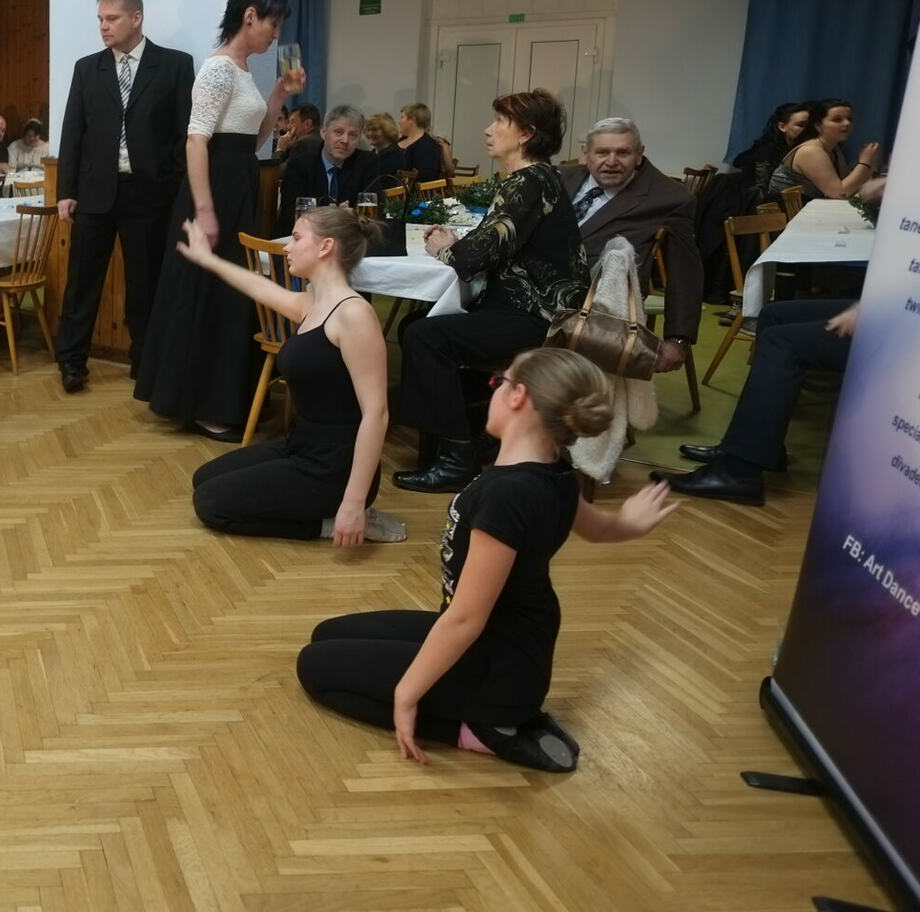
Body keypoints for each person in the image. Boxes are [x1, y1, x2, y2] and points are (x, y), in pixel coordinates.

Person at [298, 348, 679, 771]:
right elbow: (600, 530)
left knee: (314, 668)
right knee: (327, 634)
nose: (492, 388)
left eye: (500, 380)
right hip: (509, 646)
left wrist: (407, 694)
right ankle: (494, 715)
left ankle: (486, 731)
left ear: (518, 396)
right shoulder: (555, 473)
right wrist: (630, 522)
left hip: (496, 672)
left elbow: (466, 619)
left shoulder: (506, 496)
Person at [134, 0, 303, 439]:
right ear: (249, 16)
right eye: (272, 23)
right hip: (214, 193)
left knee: (231, 293)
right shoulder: (218, 69)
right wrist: (205, 211)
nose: (275, 34)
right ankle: (202, 405)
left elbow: (252, 141)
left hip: (238, 184)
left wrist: (279, 96)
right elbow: (196, 142)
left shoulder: (243, 69)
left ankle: (226, 399)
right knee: (210, 294)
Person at [394, 90, 588, 491]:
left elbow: (473, 259)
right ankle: (469, 433)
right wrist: (458, 245)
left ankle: (458, 456)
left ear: (526, 134)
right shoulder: (539, 178)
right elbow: (490, 244)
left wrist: (443, 247)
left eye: (500, 121)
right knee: (416, 327)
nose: (489, 129)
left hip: (537, 316)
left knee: (424, 336)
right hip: (528, 307)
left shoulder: (528, 182)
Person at [178, 206, 405, 543]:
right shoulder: (312, 304)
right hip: (300, 445)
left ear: (325, 246)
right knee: (205, 478)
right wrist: (207, 259)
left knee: (210, 503)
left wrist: (354, 503)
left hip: (333, 466)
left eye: (297, 238)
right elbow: (258, 287)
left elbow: (377, 414)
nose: (287, 247)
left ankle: (330, 524)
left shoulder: (354, 315)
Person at [54, 0, 196, 392]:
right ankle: (71, 361)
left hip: (148, 193)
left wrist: (172, 182)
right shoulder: (88, 68)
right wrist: (65, 191)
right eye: (100, 19)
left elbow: (184, 132)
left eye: (112, 18)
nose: (103, 26)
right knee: (82, 282)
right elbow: (73, 132)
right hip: (94, 192)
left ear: (136, 18)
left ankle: (145, 363)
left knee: (145, 284)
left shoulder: (174, 65)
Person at [652, 299, 858, 506]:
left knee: (781, 342)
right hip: (873, 307)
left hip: (879, 328)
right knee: (772, 315)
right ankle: (760, 447)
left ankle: (736, 472)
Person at [558, 117, 701, 371]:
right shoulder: (560, 178)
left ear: (639, 154)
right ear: (585, 153)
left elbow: (685, 272)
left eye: (623, 152)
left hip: (595, 313)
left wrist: (678, 338)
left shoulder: (669, 198)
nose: (612, 161)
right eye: (602, 152)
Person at [769, 97, 880, 199]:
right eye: (837, 119)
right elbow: (839, 193)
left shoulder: (834, 148)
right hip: (789, 212)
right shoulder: (810, 150)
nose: (847, 123)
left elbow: (849, 184)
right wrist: (865, 162)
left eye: (849, 119)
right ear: (818, 125)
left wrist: (871, 164)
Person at [280, 104, 378, 219]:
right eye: (338, 132)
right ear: (323, 132)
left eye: (352, 135)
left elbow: (378, 212)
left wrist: (354, 216)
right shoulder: (299, 164)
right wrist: (328, 217)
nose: (345, 140)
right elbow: (289, 213)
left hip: (351, 229)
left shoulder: (366, 162)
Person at [729, 101, 809, 200]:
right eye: (801, 125)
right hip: (758, 204)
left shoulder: (803, 148)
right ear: (782, 127)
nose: (808, 130)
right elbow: (762, 190)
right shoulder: (767, 150)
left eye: (810, 125)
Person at [392, 103, 449, 183]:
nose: (399, 122)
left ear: (413, 120)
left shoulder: (427, 146)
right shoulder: (401, 139)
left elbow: (426, 178)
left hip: (406, 190)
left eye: (402, 117)